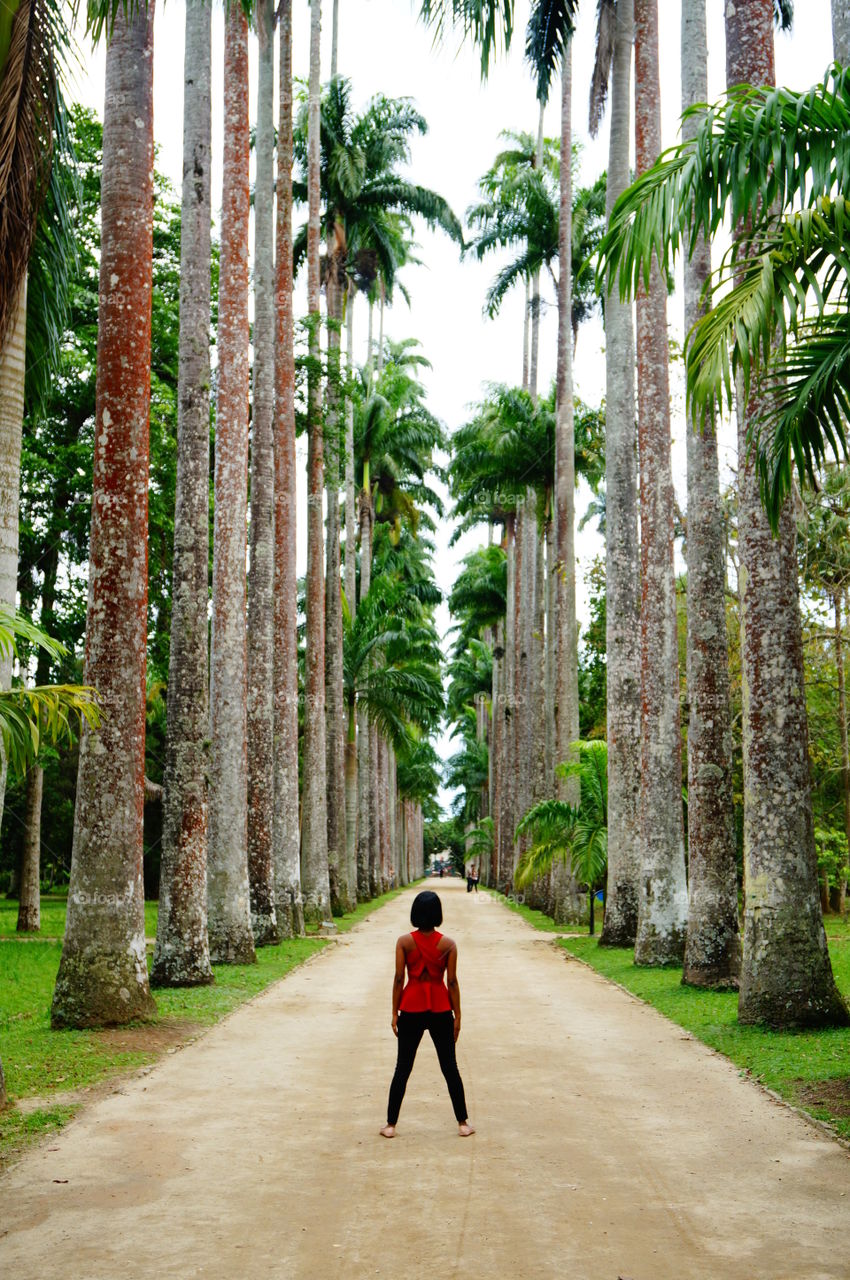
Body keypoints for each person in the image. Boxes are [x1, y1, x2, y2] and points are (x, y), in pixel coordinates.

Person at [380, 890, 474, 1139]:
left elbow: (400, 978)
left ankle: (390, 1125)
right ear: (437, 914)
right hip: (440, 1009)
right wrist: (458, 1016)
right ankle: (463, 1123)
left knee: (402, 1067)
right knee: (450, 1067)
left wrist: (393, 1012)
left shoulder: (403, 942)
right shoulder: (448, 945)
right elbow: (452, 982)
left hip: (411, 1007)